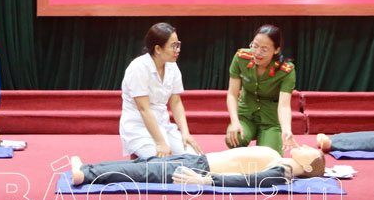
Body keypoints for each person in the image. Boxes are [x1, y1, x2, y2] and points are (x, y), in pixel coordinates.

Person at [70, 140, 325, 188]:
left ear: (308, 167)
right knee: (144, 163)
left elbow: (248, 181)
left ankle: (86, 174)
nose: (304, 146)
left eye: (309, 152)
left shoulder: (283, 173)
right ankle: (90, 168)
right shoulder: (282, 161)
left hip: (200, 169)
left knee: (140, 171)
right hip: (199, 160)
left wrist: (205, 180)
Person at [119, 22, 200, 159]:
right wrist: (160, 142)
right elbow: (144, 109)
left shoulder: (172, 66)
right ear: (158, 49)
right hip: (139, 128)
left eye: (178, 45)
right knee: (162, 164)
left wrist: (185, 133)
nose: (178, 50)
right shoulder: (138, 67)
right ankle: (138, 155)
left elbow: (176, 102)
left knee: (196, 158)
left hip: (164, 125)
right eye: (173, 46)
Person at [226, 24, 296, 154]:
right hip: (245, 115)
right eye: (255, 46)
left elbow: (284, 106)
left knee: (270, 155)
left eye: (264, 49)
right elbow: (232, 94)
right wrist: (235, 121)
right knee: (234, 139)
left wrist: (286, 129)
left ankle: (267, 139)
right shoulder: (241, 58)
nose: (257, 53)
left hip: (270, 120)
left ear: (276, 50)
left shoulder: (286, 70)